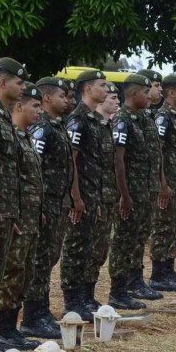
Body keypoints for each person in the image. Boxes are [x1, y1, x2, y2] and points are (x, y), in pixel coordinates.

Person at [21, 77, 74, 339]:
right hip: (46, 204)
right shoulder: (42, 128)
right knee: (40, 260)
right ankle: (32, 316)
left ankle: (41, 311)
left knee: (48, 259)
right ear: (47, 98)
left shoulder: (57, 126)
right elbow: (35, 166)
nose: (67, 101)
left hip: (58, 203)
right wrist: (39, 205)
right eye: (62, 96)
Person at [0, 81, 43, 351]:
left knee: (21, 270)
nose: (39, 110)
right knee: (7, 272)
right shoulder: (1, 125)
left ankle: (10, 330)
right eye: (35, 105)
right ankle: (2, 331)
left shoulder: (21, 135)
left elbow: (27, 181)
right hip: (7, 213)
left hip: (22, 214)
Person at [108, 74, 162, 311]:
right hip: (131, 192)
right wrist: (124, 195)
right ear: (133, 93)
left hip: (146, 191)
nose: (150, 95)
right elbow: (118, 160)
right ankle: (118, 291)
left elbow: (154, 155)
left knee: (139, 238)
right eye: (146, 91)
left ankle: (135, 281)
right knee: (123, 241)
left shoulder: (145, 118)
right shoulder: (122, 119)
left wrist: (160, 184)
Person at [62, 70, 108, 321]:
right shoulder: (78, 119)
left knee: (88, 248)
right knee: (75, 248)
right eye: (102, 85)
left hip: (92, 195)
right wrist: (76, 197)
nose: (107, 88)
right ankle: (71, 301)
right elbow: (72, 162)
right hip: (81, 196)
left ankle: (82, 297)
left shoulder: (94, 119)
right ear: (88, 89)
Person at [149, 75, 176, 292]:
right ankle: (158, 273)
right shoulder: (163, 118)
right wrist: (162, 184)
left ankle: (169, 269)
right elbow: (158, 152)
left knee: (175, 228)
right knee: (163, 227)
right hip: (169, 182)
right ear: (170, 94)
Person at [85, 82, 119, 311]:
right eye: (110, 95)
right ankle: (77, 299)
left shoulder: (104, 125)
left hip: (105, 195)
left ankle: (87, 296)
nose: (114, 100)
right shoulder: (83, 122)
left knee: (99, 249)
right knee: (83, 250)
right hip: (90, 196)